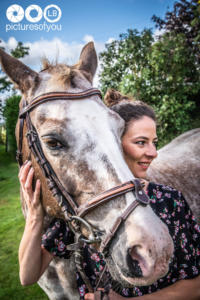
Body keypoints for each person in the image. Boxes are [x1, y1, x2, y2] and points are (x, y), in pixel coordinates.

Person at [18, 89, 200, 299]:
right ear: (112, 141)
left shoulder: (170, 200)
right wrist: (34, 217)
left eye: (154, 142)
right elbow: (28, 276)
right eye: (141, 142)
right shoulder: (83, 209)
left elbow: (196, 285)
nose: (153, 153)